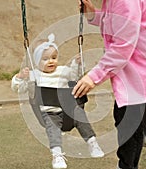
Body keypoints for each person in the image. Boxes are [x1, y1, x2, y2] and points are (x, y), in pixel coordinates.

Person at [72, 0, 146, 169]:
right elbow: (119, 23)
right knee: (127, 121)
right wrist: (94, 16)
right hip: (138, 72)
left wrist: (93, 77)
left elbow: (122, 45)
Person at [11, 33, 104, 169]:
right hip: (49, 113)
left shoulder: (63, 71)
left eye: (54, 58)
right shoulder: (34, 75)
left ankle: (92, 142)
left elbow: (75, 75)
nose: (51, 61)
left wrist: (77, 64)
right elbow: (19, 88)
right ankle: (57, 155)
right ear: (36, 61)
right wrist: (20, 77)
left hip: (68, 111)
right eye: (45, 59)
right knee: (53, 128)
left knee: (79, 114)